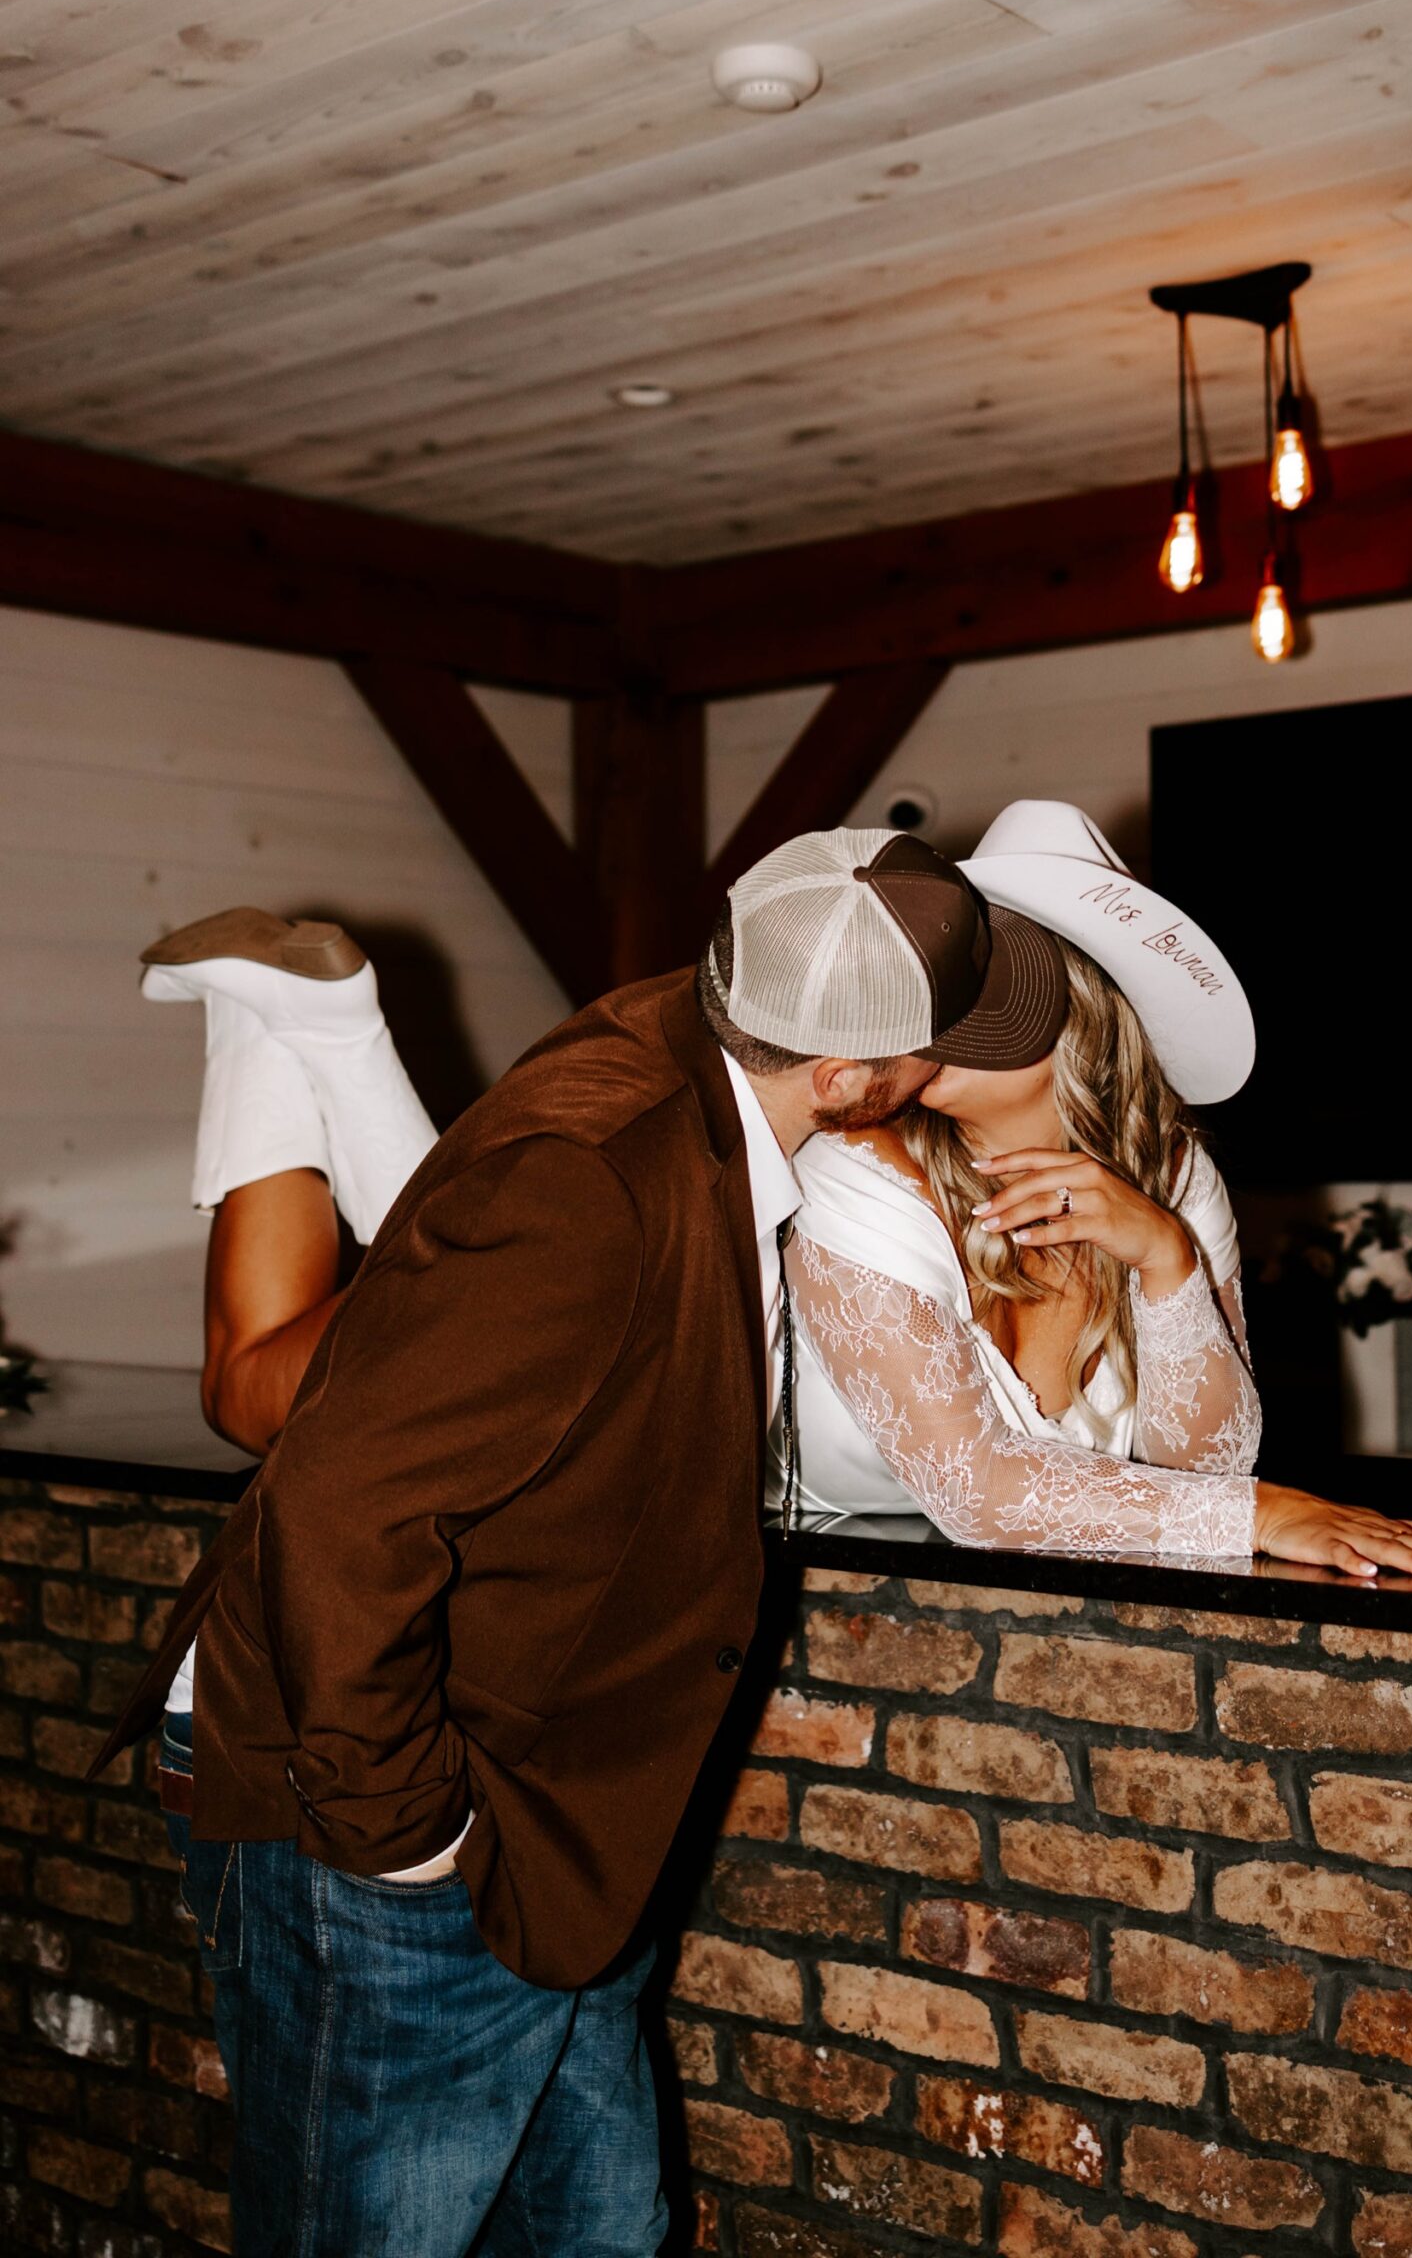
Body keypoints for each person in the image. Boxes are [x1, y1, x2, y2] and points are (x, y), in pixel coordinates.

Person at [95, 829, 1067, 2258]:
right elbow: (336, 1512)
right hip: (397, 1822)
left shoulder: (687, 1042)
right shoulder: (595, 1185)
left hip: (545, 1826)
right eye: (929, 1051)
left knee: (602, 2233)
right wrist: (404, 1837)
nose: (935, 1081)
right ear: (850, 1072)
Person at [783, 800, 1412, 1582]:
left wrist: (1167, 1259)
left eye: (977, 983)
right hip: (808, 1609)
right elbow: (976, 1490)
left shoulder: (1177, 1179)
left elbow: (1204, 1469)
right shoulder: (851, 1167)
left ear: (1072, 1013)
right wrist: (1268, 1512)